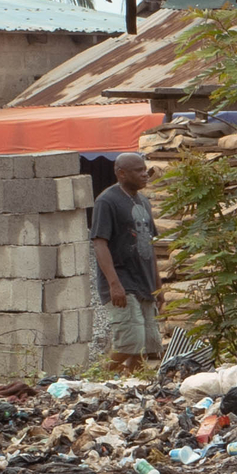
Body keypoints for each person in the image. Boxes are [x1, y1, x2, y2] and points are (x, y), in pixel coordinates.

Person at [91, 152, 160, 374]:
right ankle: (94, 377)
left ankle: (130, 387)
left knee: (148, 346)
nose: (145, 174)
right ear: (121, 173)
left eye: (144, 169)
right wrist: (114, 284)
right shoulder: (107, 201)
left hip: (145, 282)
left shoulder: (144, 202)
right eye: (138, 170)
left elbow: (149, 245)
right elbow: (100, 244)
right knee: (131, 342)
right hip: (123, 282)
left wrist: (158, 286)